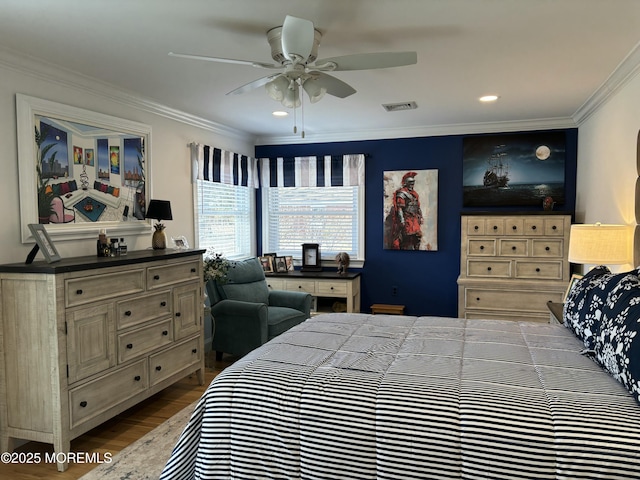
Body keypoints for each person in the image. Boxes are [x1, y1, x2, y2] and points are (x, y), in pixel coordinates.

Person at [385, 171, 423, 250]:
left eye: (413, 183)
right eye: (410, 183)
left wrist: (420, 216)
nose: (412, 185)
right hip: (407, 218)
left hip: (414, 218)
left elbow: (417, 207)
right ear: (406, 183)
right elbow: (400, 208)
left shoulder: (414, 194)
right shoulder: (402, 194)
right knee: (407, 237)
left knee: (417, 237)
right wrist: (402, 220)